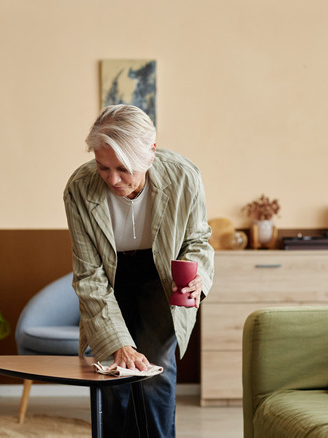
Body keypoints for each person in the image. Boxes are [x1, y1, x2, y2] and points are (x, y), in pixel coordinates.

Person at [63, 104, 214, 438]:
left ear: (151, 152)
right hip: (108, 276)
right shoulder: (79, 188)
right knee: (112, 374)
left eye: (124, 168)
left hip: (160, 274)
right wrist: (118, 343)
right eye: (103, 167)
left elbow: (198, 239)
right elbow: (89, 275)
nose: (113, 179)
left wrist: (198, 271)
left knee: (153, 372)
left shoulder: (184, 176)